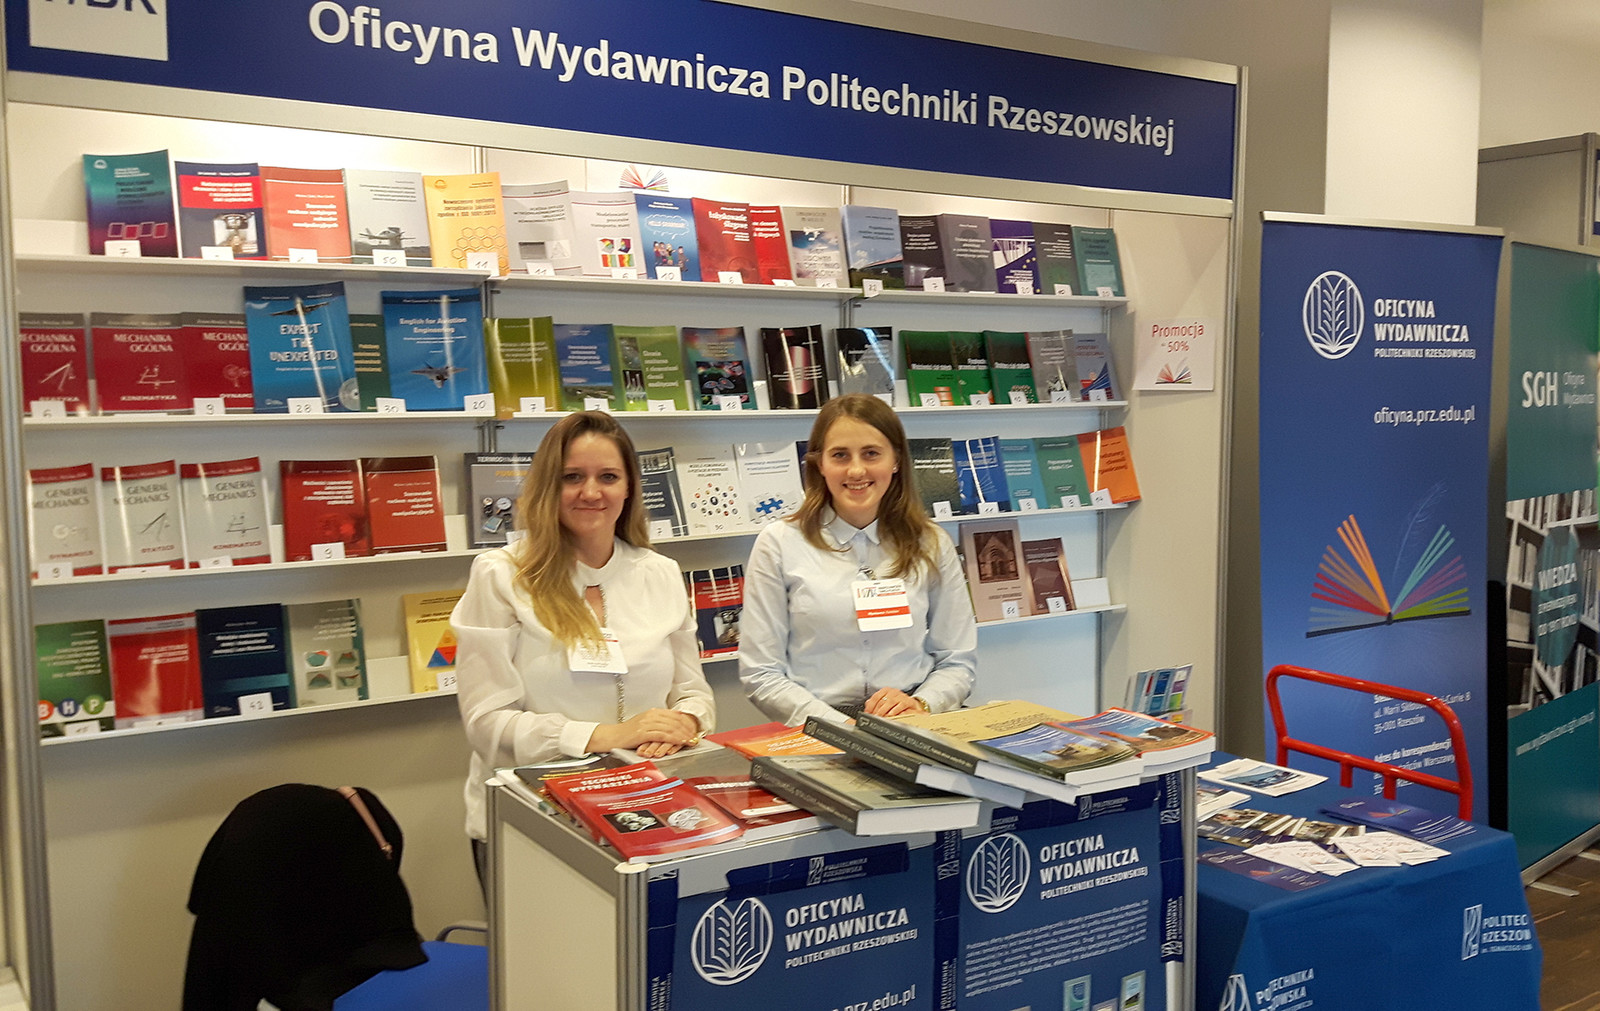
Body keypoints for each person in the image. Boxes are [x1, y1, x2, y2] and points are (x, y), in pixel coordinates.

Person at [452, 411, 714, 886]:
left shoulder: (660, 572)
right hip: (536, 821)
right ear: (546, 486)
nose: (591, 492)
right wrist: (610, 735)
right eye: (572, 477)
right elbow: (487, 724)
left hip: (645, 811)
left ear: (629, 488)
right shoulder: (500, 575)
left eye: (608, 477)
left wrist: (685, 723)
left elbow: (694, 693)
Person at [739, 394, 976, 724]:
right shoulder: (778, 543)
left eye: (871, 453)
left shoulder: (932, 542)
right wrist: (839, 727)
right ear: (820, 464)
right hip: (817, 723)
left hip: (911, 718)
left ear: (896, 460)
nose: (856, 470)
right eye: (840, 455)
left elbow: (957, 660)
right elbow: (761, 673)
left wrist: (923, 703)